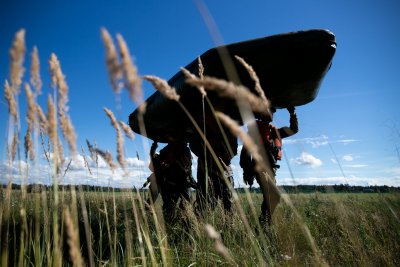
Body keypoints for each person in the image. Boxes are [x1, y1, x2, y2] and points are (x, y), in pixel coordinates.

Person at [240, 106, 298, 225]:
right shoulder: (254, 132)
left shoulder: (274, 131)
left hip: (270, 170)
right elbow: (245, 154)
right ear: (261, 114)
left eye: (272, 112)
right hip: (260, 168)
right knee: (274, 196)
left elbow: (293, 129)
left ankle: (265, 223)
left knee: (270, 197)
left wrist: (292, 113)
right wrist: (247, 172)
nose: (271, 114)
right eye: (268, 112)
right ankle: (264, 224)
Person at [144, 140, 196, 223]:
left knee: (184, 204)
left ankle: (181, 222)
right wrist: (152, 152)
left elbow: (186, 168)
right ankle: (171, 223)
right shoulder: (167, 150)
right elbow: (154, 166)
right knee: (170, 206)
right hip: (173, 182)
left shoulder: (184, 150)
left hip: (183, 182)